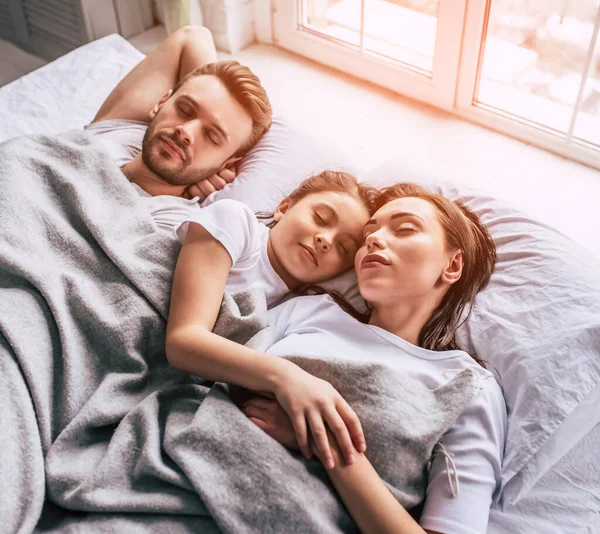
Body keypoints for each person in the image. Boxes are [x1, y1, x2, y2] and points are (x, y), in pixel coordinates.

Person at [238, 183, 506, 534]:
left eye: (405, 228)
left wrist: (326, 443)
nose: (375, 240)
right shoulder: (311, 310)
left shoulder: (464, 386)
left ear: (452, 265)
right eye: (369, 234)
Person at [166, 171, 378, 469]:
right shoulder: (238, 223)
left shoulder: (300, 309)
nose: (325, 240)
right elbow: (183, 341)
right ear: (284, 207)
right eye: (320, 217)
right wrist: (288, 378)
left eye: (344, 248)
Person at [87, 26, 272, 200]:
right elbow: (192, 37)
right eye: (185, 110)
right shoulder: (120, 130)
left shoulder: (176, 224)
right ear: (161, 102)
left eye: (212, 136)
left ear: (227, 163)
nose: (185, 131)